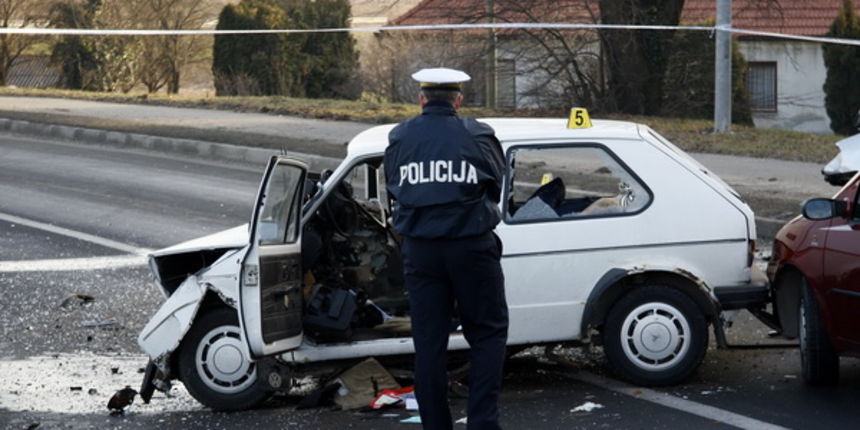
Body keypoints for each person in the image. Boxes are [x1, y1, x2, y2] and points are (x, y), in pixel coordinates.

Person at [384, 68, 508, 430]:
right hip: (471, 246)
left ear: (422, 100)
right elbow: (495, 186)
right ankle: (483, 423)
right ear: (459, 100)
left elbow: (394, 188)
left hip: (422, 251)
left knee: (429, 343)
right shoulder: (479, 134)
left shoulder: (401, 137)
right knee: (487, 333)